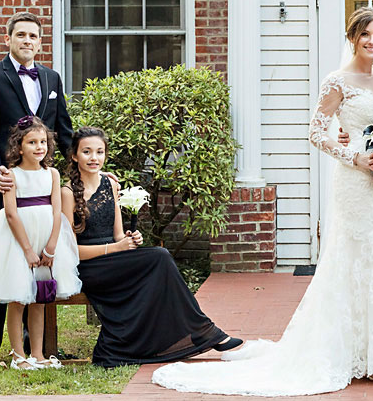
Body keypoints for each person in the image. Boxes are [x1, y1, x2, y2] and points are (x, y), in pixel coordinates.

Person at [152, 7, 373, 395]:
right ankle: (341, 349)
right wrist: (353, 154)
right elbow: (316, 131)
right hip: (352, 180)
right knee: (350, 257)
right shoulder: (337, 80)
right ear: (352, 38)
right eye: (366, 35)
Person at [60, 127, 241, 367]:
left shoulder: (111, 185)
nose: (94, 158)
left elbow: (116, 235)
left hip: (112, 260)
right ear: (74, 156)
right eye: (87, 152)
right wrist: (115, 249)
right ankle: (202, 331)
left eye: (100, 152)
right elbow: (69, 251)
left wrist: (130, 240)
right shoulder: (67, 192)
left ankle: (191, 333)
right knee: (160, 257)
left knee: (158, 260)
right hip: (88, 267)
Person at [0, 11, 74, 368]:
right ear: (8, 39)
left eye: (33, 36)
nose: (27, 41)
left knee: (37, 270)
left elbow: (64, 133)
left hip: (41, 198)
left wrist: (93, 170)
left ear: (40, 42)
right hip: (5, 192)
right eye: (21, 35)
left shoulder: (51, 78)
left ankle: (35, 349)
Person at [0, 116, 81, 369]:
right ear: (19, 147)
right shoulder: (11, 175)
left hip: (46, 238)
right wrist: (29, 251)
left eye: (43, 141)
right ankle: (18, 355)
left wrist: (51, 247)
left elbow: (57, 212)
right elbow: (11, 213)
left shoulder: (52, 174)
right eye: (32, 142)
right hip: (18, 241)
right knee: (18, 298)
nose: (39, 147)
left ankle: (39, 354)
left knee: (41, 298)